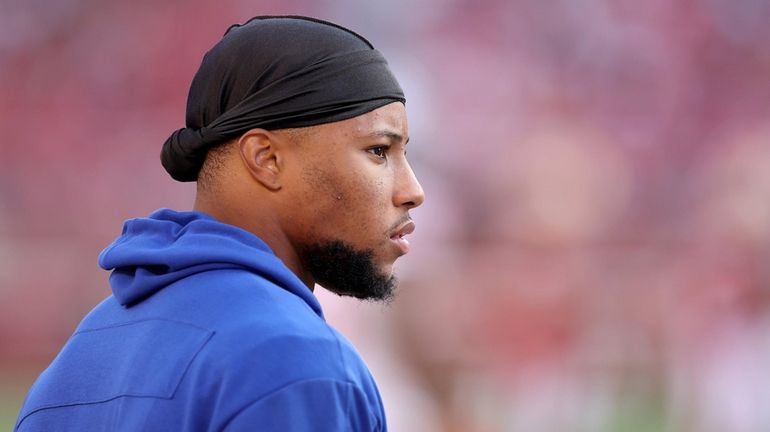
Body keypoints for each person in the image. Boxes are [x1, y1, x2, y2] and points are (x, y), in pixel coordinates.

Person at [15, 15, 424, 431]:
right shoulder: (295, 358)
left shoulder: (83, 352)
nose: (412, 190)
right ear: (266, 158)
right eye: (378, 151)